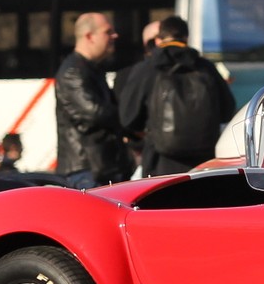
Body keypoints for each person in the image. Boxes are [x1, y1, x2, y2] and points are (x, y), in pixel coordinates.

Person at [118, 14, 235, 176]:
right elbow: (227, 110)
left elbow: (128, 118)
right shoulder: (206, 67)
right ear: (186, 38)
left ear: (159, 39)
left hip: (160, 163)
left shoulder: (147, 68)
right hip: (203, 164)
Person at [54, 11, 132, 187]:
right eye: (108, 32)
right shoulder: (72, 71)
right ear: (89, 36)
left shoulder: (91, 69)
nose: (115, 36)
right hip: (87, 170)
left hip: (100, 167)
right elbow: (95, 113)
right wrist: (129, 119)